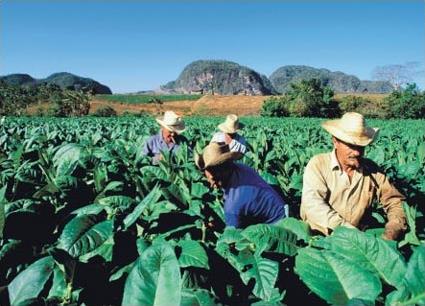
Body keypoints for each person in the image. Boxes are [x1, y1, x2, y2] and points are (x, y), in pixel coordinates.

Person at [300, 112, 406, 240]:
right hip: (320, 241)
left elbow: (395, 201)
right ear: (335, 141)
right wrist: (352, 235)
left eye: (361, 147)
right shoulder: (318, 164)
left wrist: (393, 228)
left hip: (357, 243)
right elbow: (314, 206)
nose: (356, 152)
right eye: (351, 145)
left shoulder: (372, 170)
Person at [195, 142, 287, 228]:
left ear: (227, 166)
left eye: (216, 170)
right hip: (280, 209)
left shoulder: (233, 204)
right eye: (208, 170)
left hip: (278, 227)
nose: (211, 177)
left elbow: (233, 238)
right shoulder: (241, 168)